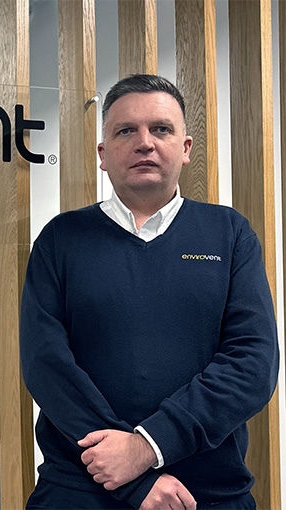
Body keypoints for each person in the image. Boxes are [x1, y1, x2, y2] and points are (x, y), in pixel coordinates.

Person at [20, 74, 278, 510]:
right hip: (80, 492)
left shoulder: (229, 234)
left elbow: (252, 362)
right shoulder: (61, 239)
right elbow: (46, 365)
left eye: (161, 129)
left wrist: (147, 446)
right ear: (103, 155)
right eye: (126, 131)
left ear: (186, 147)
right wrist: (131, 480)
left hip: (206, 494)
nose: (145, 143)